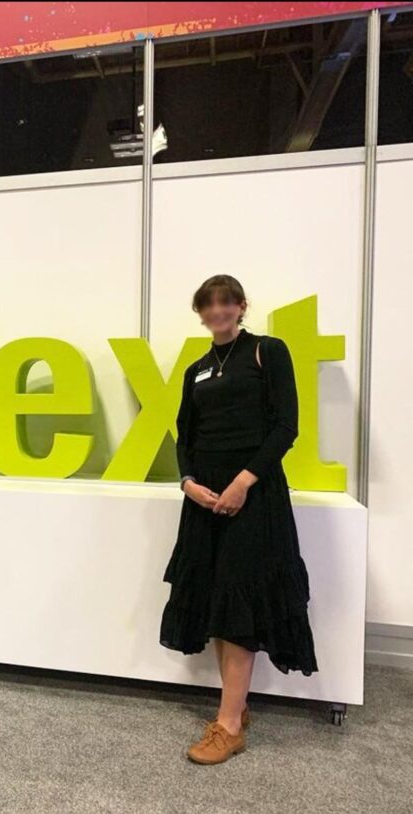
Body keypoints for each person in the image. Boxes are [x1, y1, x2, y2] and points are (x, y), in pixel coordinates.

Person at [159, 274, 318, 765]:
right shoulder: (197, 369)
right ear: (201, 313)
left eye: (226, 304)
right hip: (204, 499)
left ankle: (228, 726)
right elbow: (185, 436)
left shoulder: (267, 352)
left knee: (239, 603)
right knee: (214, 597)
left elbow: (286, 424)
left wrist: (244, 481)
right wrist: (187, 483)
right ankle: (236, 708)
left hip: (255, 494)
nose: (217, 313)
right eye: (208, 306)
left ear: (241, 307)